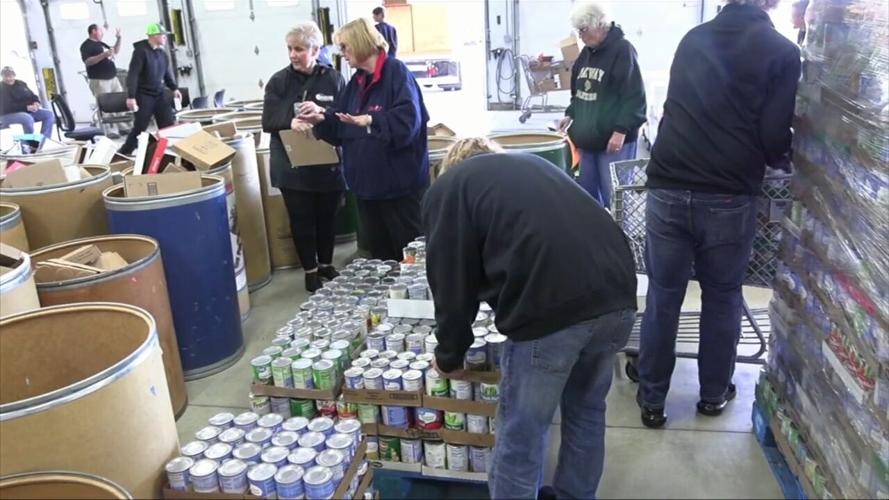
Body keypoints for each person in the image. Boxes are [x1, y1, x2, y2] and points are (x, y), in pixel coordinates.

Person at [423, 145, 637, 500]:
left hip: (550, 312)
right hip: (618, 297)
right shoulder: (533, 165)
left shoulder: (450, 188)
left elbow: (451, 282)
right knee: (585, 412)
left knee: (522, 435)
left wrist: (449, 355)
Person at [637, 0, 800, 428]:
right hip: (727, 194)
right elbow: (772, 133)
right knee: (723, 297)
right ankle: (712, 396)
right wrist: (783, 159)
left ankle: (652, 400)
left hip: (669, 185)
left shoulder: (693, 39)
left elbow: (677, 108)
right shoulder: (781, 51)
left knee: (664, 295)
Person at [295, 18, 429, 262]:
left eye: (345, 47)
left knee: (411, 259)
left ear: (360, 43)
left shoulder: (396, 74)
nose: (342, 54)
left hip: (398, 192)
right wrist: (321, 119)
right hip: (367, 190)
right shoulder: (356, 82)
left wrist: (370, 120)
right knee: (381, 260)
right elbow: (341, 122)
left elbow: (408, 122)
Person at [262, 22, 346, 293]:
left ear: (316, 50)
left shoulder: (333, 79)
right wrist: (290, 121)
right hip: (292, 164)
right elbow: (268, 120)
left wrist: (322, 110)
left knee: (327, 217)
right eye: (290, 49)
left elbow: (344, 113)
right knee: (302, 219)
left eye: (299, 49)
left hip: (326, 161)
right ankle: (310, 271)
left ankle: (326, 264)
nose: (293, 55)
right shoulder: (278, 81)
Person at [559, 2, 646, 208]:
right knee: (587, 199)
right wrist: (570, 114)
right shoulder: (587, 53)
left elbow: (634, 97)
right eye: (578, 30)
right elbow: (579, 91)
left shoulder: (623, 50)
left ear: (600, 25)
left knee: (616, 200)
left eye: (583, 29)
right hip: (587, 140)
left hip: (613, 142)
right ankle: (594, 239)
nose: (580, 35)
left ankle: (618, 239)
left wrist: (621, 130)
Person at [119, 23, 181, 155]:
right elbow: (133, 75)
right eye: (163, 35)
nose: (165, 38)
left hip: (159, 94)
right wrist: (131, 97)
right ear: (154, 36)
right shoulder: (140, 52)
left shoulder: (162, 54)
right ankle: (124, 153)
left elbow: (166, 74)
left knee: (168, 126)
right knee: (140, 128)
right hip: (143, 96)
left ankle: (167, 154)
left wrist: (174, 88)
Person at [80, 23, 127, 138]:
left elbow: (114, 51)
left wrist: (119, 38)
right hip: (99, 80)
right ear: (94, 31)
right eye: (101, 31)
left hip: (112, 78)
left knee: (119, 102)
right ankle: (111, 130)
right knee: (106, 105)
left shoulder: (101, 44)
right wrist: (104, 55)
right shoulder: (86, 46)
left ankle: (123, 126)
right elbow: (88, 61)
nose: (103, 33)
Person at [0, 66, 54, 138]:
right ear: (2, 77)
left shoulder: (21, 84)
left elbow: (32, 96)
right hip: (7, 115)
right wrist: (26, 107)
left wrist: (36, 103)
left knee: (48, 114)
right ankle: (30, 143)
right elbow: (7, 107)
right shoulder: (1, 88)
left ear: (14, 75)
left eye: (10, 76)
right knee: (27, 118)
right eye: (5, 76)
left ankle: (44, 140)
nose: (8, 78)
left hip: (27, 111)